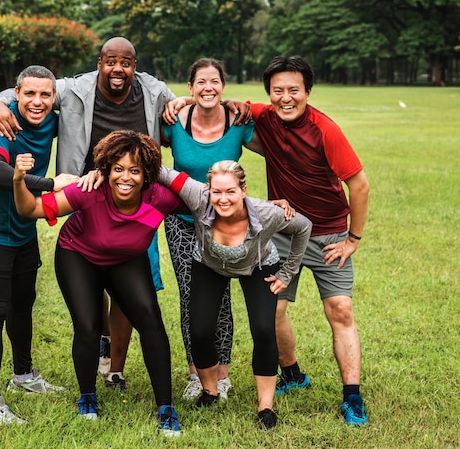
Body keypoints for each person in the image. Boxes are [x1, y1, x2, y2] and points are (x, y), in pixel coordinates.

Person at [0, 37, 252, 389]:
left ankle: (115, 368)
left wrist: (228, 101)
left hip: (136, 197)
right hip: (86, 192)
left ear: (135, 65)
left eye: (126, 62)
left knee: (130, 287)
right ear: (99, 62)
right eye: (111, 61)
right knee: (91, 274)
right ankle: (100, 340)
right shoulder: (74, 89)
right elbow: (28, 89)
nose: (118, 69)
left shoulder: (152, 89)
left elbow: (193, 103)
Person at [12, 130, 184, 437]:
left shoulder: (161, 198)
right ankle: (87, 396)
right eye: (118, 169)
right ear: (106, 169)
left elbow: (212, 204)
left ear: (147, 174)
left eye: (134, 170)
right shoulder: (89, 192)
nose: (125, 178)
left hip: (126, 258)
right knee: (89, 325)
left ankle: (165, 407)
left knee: (151, 321)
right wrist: (17, 181)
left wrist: (263, 208)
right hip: (79, 254)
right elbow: (31, 209)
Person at [250, 55, 370, 426]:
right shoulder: (264, 117)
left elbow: (360, 185)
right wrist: (180, 102)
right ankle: (293, 375)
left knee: (341, 311)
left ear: (308, 92)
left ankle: (352, 397)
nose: (286, 98)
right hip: (284, 233)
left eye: (294, 91)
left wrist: (353, 239)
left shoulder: (325, 129)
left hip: (331, 233)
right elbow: (216, 101)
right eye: (277, 91)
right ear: (269, 93)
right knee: (273, 312)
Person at [158, 160, 312, 429]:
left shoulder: (267, 213)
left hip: (258, 266)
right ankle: (210, 391)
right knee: (201, 330)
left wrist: (287, 273)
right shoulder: (199, 196)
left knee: (264, 329)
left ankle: (265, 407)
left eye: (230, 191)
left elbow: (303, 227)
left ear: (243, 190)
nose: (223, 198)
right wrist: (112, 164)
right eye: (217, 192)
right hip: (209, 263)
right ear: (208, 190)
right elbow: (162, 171)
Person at [0, 65, 76, 425]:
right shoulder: (2, 123)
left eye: (45, 94)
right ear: (16, 94)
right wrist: (47, 184)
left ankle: (23, 376)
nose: (37, 101)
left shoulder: (52, 121)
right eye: (29, 93)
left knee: (23, 303)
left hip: (23, 225)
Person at [160, 58, 261, 401]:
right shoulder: (173, 121)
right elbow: (144, 146)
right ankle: (195, 373)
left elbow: (277, 147)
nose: (208, 88)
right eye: (200, 82)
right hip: (181, 220)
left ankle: (222, 375)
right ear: (189, 87)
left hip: (224, 223)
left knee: (221, 297)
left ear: (223, 86)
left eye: (215, 82)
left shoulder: (238, 122)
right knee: (190, 296)